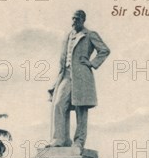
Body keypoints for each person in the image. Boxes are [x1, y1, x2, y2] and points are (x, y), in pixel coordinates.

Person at [47, 10, 110, 150]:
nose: (73, 21)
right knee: (58, 104)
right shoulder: (67, 36)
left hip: (82, 77)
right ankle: (59, 139)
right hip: (66, 75)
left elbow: (104, 50)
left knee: (80, 109)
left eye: (77, 19)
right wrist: (55, 82)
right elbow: (62, 62)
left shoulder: (90, 34)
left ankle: (79, 141)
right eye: (72, 18)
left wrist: (92, 63)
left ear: (83, 20)